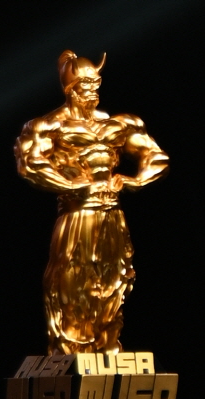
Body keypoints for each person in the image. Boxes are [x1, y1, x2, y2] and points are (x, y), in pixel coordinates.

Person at [15, 52, 168, 356]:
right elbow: (30, 164)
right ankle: (70, 348)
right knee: (72, 279)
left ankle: (107, 344)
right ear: (70, 88)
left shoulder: (118, 124)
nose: (93, 90)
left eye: (96, 84)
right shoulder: (49, 126)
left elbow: (156, 157)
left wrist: (135, 181)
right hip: (78, 213)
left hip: (111, 212)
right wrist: (73, 185)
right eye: (86, 85)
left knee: (117, 277)